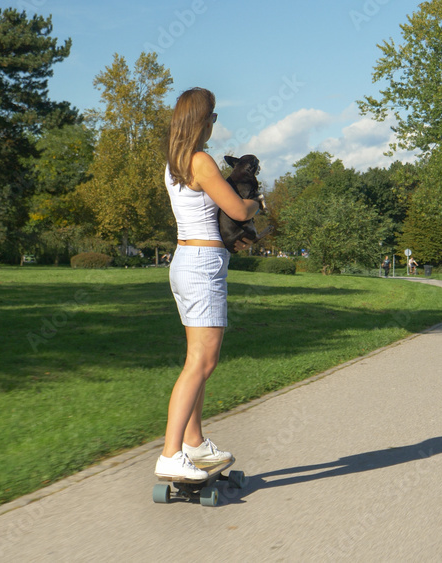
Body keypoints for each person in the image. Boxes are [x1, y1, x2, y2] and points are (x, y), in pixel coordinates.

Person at [156, 87, 261, 481]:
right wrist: (255, 205)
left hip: (186, 261)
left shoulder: (174, 162)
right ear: (200, 120)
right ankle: (170, 453)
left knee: (196, 359)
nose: (215, 124)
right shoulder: (201, 160)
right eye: (213, 117)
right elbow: (236, 208)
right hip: (202, 265)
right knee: (202, 362)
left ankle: (194, 442)